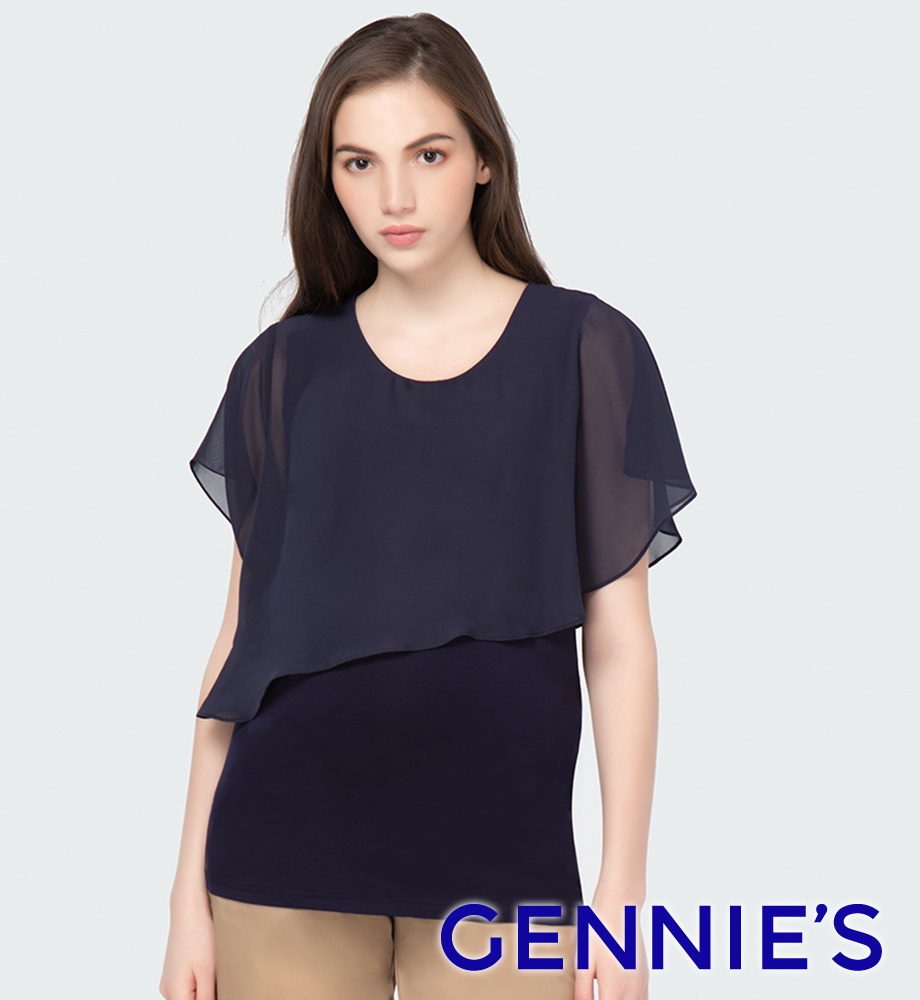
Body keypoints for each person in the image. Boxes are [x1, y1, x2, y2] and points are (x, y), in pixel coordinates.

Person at [159, 12, 696, 1000]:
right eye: (358, 163)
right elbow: (240, 644)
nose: (394, 197)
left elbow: (620, 643)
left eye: (428, 154)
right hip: (278, 864)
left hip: (502, 874)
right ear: (327, 177)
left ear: (484, 160)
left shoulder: (585, 350)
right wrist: (185, 896)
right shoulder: (281, 371)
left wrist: (623, 892)